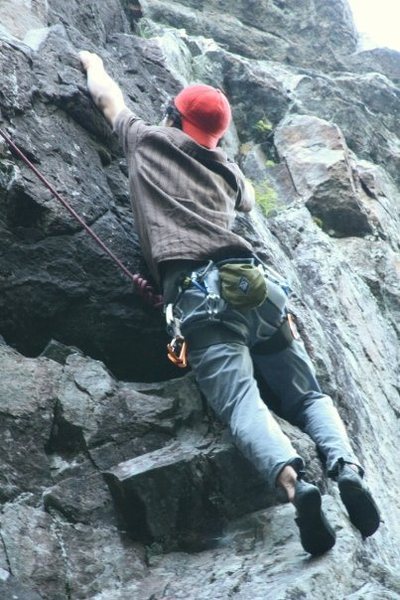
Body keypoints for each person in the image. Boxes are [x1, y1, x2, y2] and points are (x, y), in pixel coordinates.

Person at [79, 50, 381, 555]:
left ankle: (295, 485)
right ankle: (346, 469)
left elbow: (107, 96)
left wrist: (90, 59)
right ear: (216, 136)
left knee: (243, 401)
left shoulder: (146, 139)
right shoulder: (231, 176)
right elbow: (240, 199)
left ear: (172, 116)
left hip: (202, 299)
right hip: (257, 289)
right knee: (308, 397)